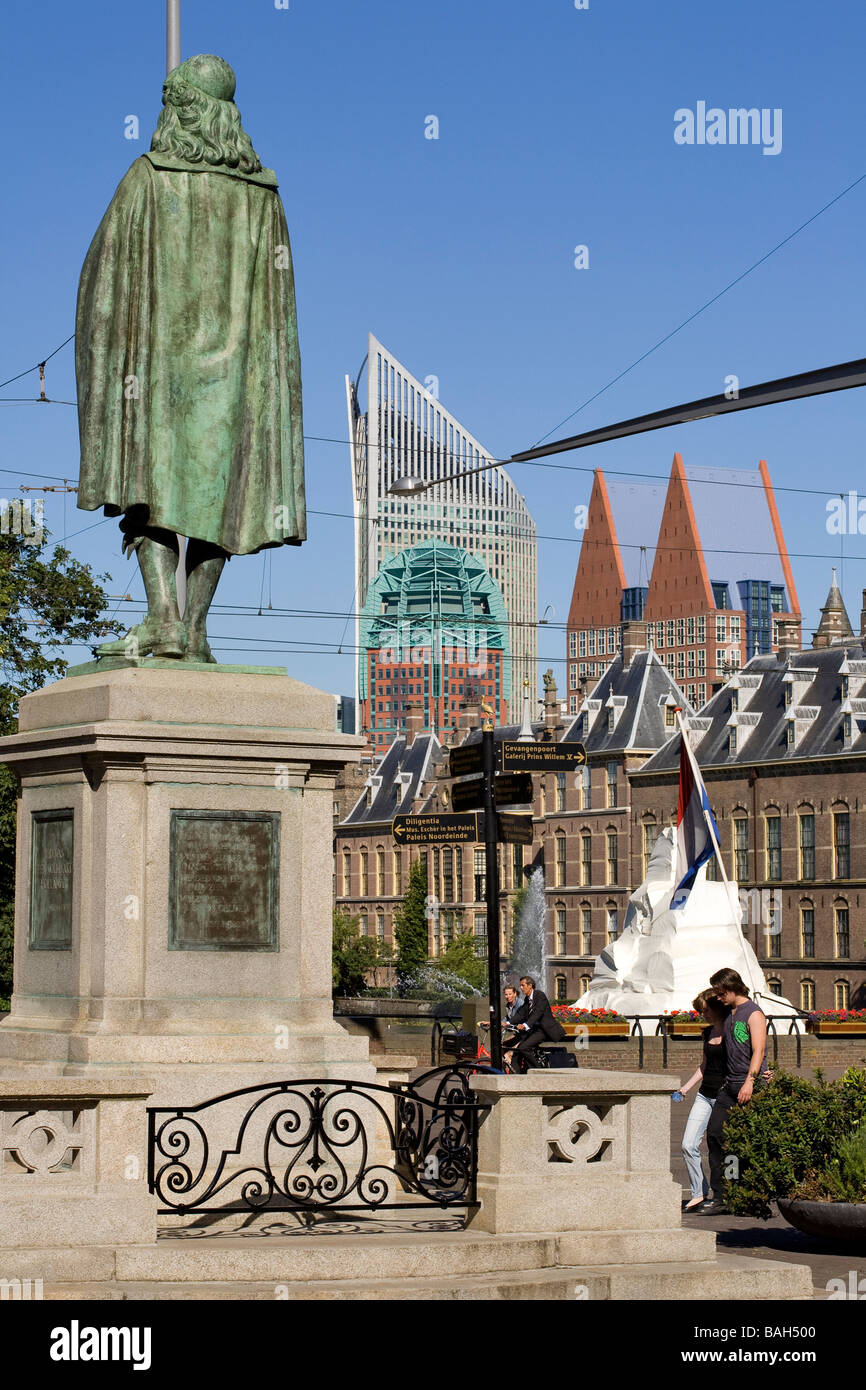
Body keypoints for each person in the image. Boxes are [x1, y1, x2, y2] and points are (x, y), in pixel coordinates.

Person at [701, 967, 768, 1213]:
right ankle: (722, 1195)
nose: (718, 998)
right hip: (729, 1085)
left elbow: (759, 1051)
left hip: (748, 1084)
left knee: (744, 1142)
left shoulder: (754, 1014)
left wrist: (751, 1081)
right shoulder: (730, 1013)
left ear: (731, 988)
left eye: (720, 993)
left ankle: (747, 1195)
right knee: (715, 1134)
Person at [675, 989, 730, 1212]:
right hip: (704, 1095)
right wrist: (686, 1088)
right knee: (688, 1144)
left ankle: (725, 1193)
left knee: (721, 1146)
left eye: (706, 1010)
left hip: (724, 1096)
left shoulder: (731, 1032)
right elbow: (704, 1066)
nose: (703, 1014)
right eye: (701, 1010)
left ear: (717, 1008)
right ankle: (699, 1192)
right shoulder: (707, 1034)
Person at [509, 975, 566, 1072]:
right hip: (534, 1030)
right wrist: (506, 1022)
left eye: (523, 985)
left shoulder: (539, 995)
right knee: (517, 1051)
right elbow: (521, 1013)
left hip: (544, 1030)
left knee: (524, 1047)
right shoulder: (528, 999)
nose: (521, 988)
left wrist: (526, 1025)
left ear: (530, 985)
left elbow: (538, 1013)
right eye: (520, 986)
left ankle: (538, 1071)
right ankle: (515, 1076)